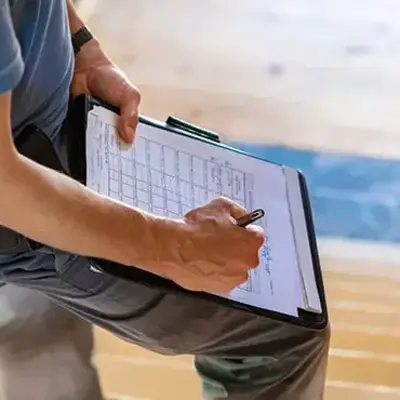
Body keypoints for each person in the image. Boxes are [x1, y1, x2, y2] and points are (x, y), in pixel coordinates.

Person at [0, 1, 330, 399]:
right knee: (281, 338)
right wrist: (172, 247)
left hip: (60, 137)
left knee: (33, 326)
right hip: (25, 197)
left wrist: (81, 44)